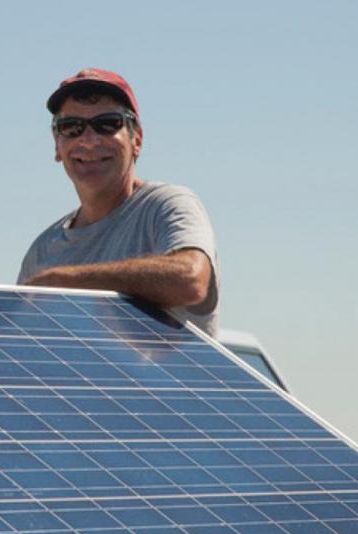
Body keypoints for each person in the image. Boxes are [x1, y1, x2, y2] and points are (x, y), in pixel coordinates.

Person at [17, 68, 220, 336]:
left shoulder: (166, 206)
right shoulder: (42, 252)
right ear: (57, 144)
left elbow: (191, 280)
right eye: (71, 127)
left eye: (107, 124)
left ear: (137, 139)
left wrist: (65, 281)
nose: (89, 141)